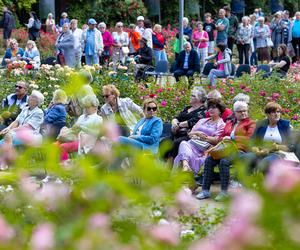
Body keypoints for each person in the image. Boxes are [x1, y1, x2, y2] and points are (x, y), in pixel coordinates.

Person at [197, 101, 256, 201]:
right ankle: (205, 190)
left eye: (245, 111)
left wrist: (232, 137)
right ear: (235, 112)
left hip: (240, 150)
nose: (243, 113)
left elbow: (249, 139)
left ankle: (224, 192)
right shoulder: (229, 123)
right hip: (225, 149)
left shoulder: (251, 123)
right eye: (240, 111)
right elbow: (221, 137)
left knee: (224, 162)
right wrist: (223, 139)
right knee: (209, 160)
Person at [173, 100, 225, 175]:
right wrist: (197, 133)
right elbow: (190, 134)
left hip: (205, 148)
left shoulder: (221, 124)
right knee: (183, 143)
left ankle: (186, 169)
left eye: (214, 108)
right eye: (209, 107)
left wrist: (202, 137)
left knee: (184, 148)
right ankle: (186, 167)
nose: (210, 109)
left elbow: (217, 140)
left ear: (220, 111)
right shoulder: (202, 120)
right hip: (193, 145)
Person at [245, 102, 292, 172]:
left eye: (278, 112)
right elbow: (252, 142)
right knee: (246, 158)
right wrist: (257, 151)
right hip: (261, 152)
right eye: (273, 112)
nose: (277, 114)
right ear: (267, 114)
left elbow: (290, 145)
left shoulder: (285, 124)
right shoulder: (261, 124)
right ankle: (245, 181)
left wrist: (276, 147)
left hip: (277, 153)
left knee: (265, 163)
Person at [165, 86, 207, 160]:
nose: (190, 97)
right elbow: (176, 117)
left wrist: (178, 125)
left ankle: (171, 166)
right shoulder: (187, 108)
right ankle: (162, 165)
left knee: (177, 143)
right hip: (176, 132)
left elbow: (193, 122)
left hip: (189, 134)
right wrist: (174, 124)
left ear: (199, 99)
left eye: (193, 96)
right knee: (165, 141)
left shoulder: (203, 111)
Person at [56, 95, 103, 160]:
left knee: (63, 147)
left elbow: (96, 133)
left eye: (87, 107)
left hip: (85, 141)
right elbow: (74, 129)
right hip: (74, 138)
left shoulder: (98, 118)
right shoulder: (82, 116)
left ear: (95, 107)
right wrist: (73, 129)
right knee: (55, 145)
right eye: (84, 107)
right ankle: (54, 166)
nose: (85, 109)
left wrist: (81, 127)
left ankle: (64, 165)